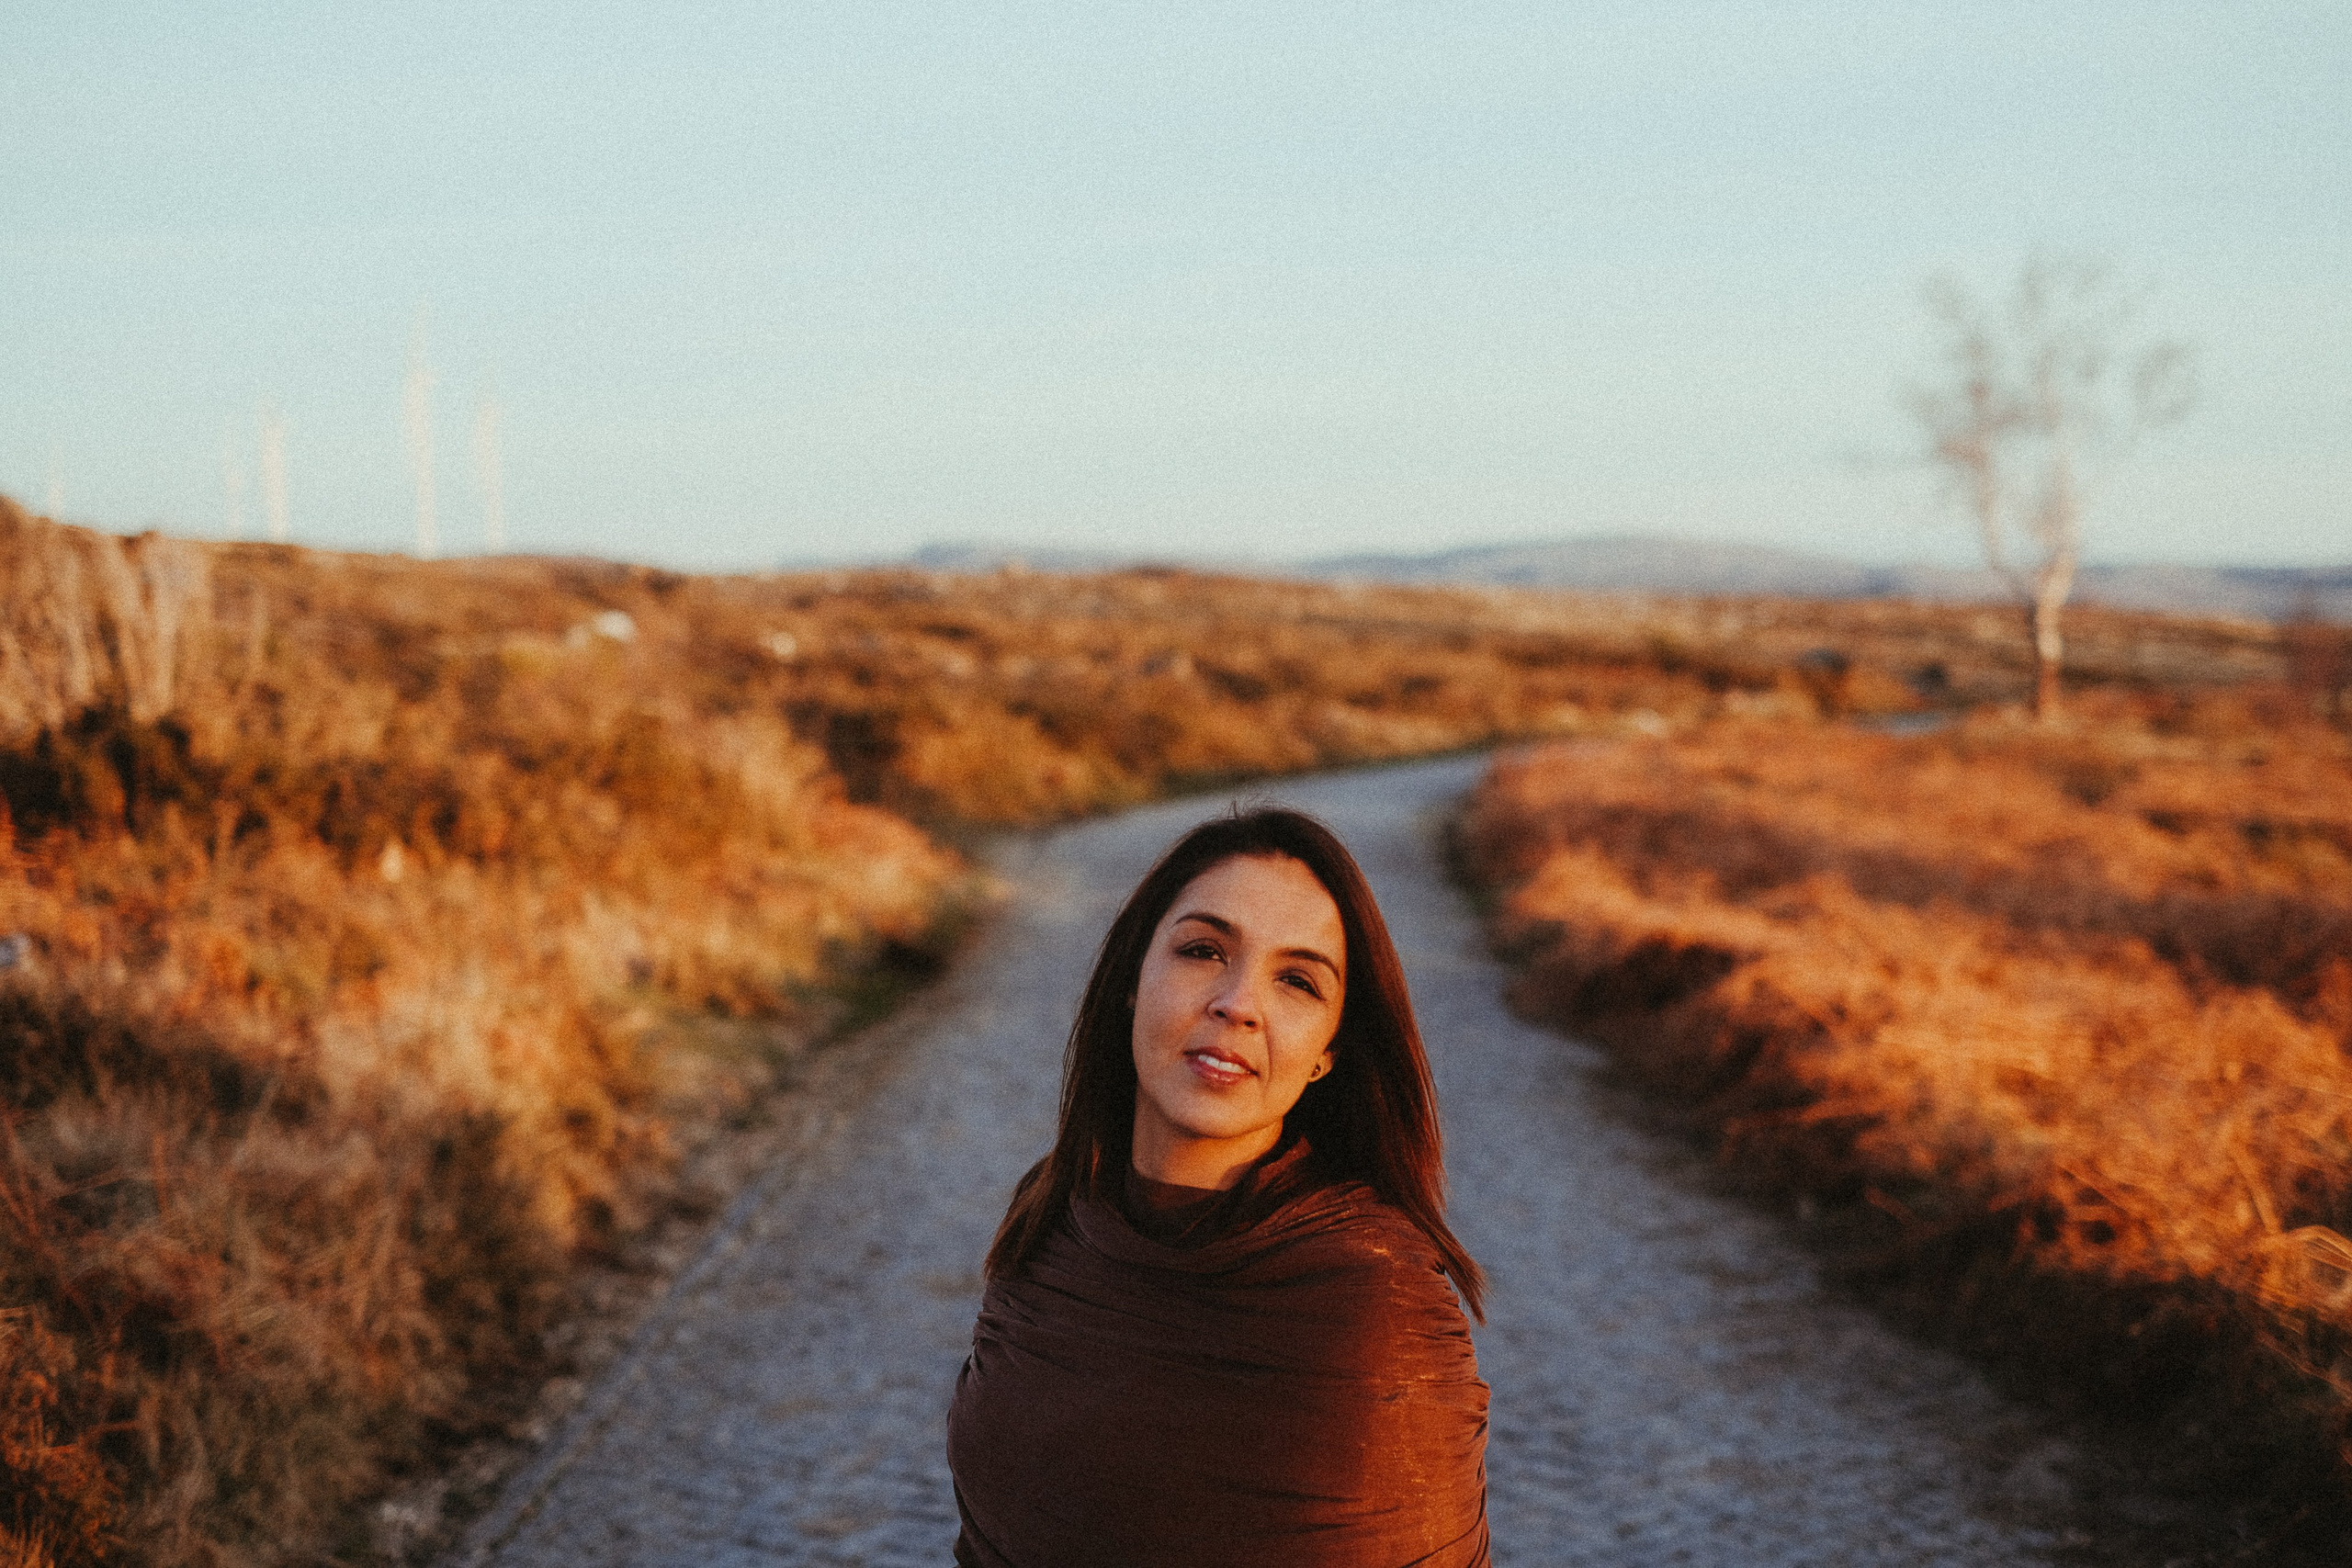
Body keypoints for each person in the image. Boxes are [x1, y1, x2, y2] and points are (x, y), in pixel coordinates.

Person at [946, 807, 1490, 1567]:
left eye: (1297, 981)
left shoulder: (1378, 1302)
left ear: (1328, 1051)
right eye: (1203, 950)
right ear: (1133, 978)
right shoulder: (1054, 1211)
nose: (1238, 1004)